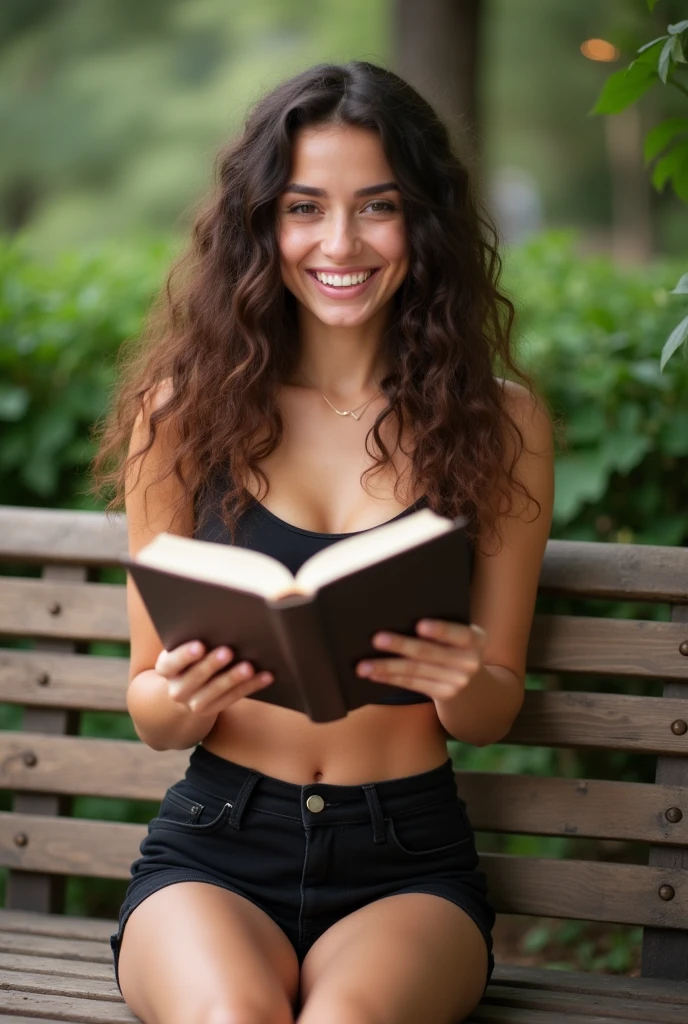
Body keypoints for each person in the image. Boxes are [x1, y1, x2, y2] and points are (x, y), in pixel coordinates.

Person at [93, 60, 554, 1024]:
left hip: (407, 860)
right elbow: (148, 708)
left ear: (422, 223)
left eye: (377, 206)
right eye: (304, 207)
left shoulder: (501, 423)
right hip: (214, 846)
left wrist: (464, 679)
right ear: (263, 224)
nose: (339, 242)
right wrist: (180, 696)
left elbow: (492, 710)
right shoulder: (180, 417)